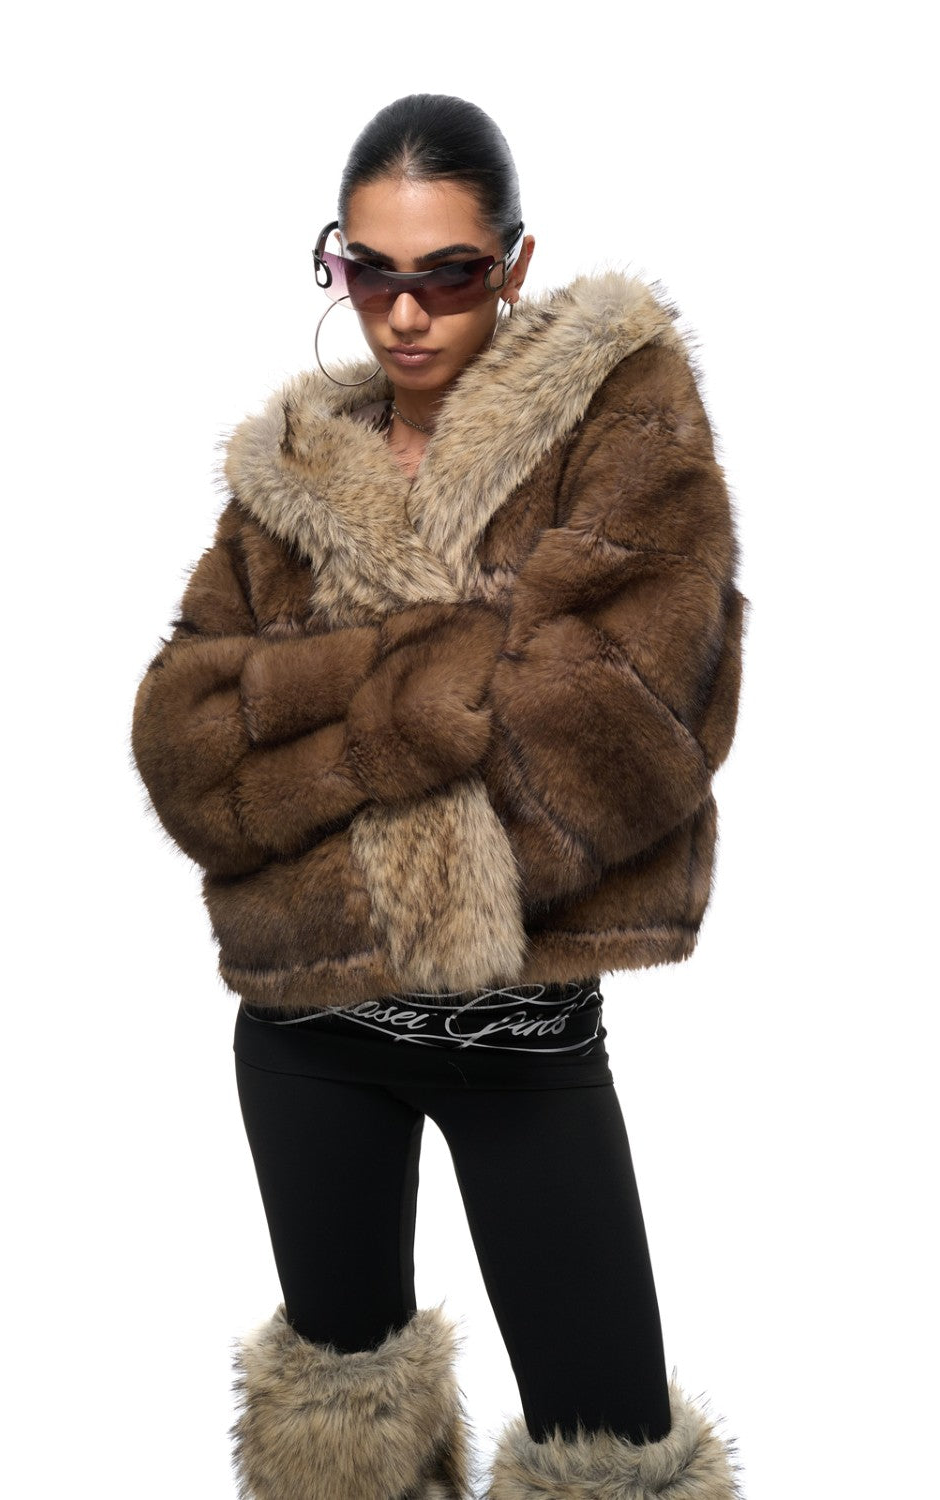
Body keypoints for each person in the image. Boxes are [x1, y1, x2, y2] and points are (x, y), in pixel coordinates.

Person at [130, 93, 746, 1500]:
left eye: (450, 273)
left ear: (514, 264)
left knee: (611, 1454)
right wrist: (433, 690)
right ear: (336, 265)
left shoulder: (619, 426)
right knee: (342, 1440)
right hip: (303, 1039)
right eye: (370, 272)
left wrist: (317, 754)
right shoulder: (292, 473)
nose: (405, 314)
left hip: (522, 1043)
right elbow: (185, 743)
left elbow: (632, 724)